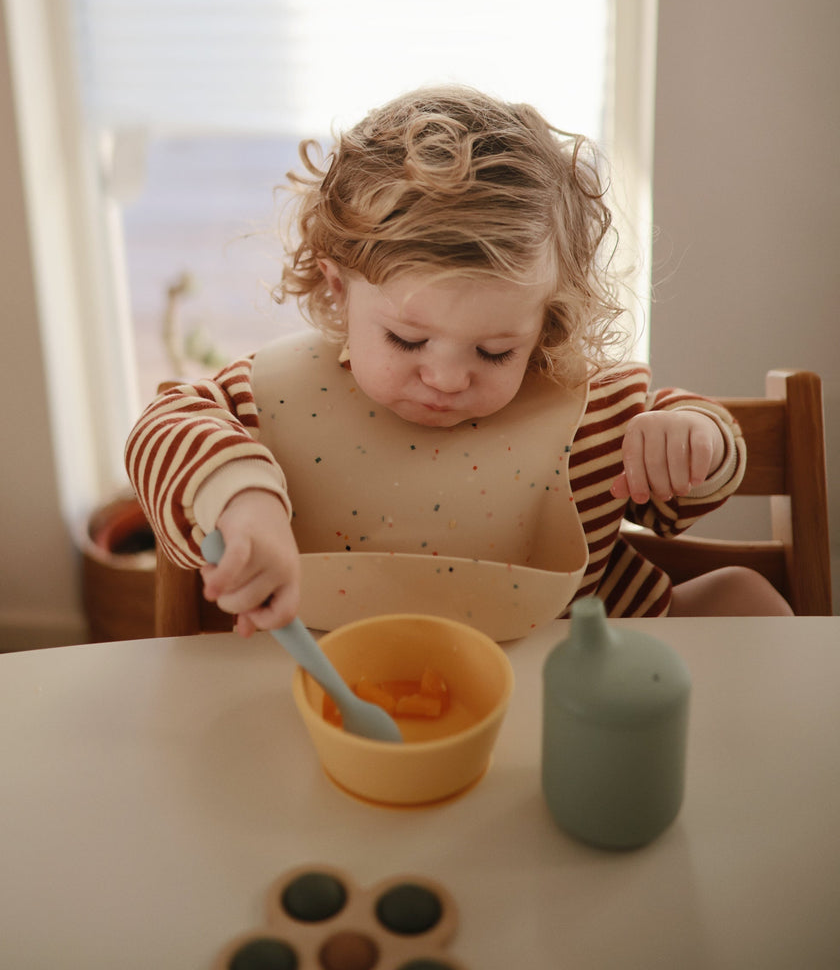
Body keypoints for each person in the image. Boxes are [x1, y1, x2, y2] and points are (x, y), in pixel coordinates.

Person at [125, 86, 792, 638]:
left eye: (496, 351)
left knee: (747, 602)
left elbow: (691, 479)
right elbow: (161, 428)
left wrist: (693, 442)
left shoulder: (592, 417)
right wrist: (242, 501)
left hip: (577, 693)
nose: (446, 378)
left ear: (545, 322)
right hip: (342, 688)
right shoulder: (268, 403)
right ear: (338, 287)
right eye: (408, 341)